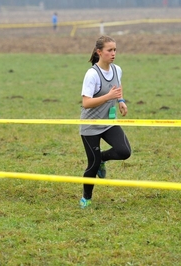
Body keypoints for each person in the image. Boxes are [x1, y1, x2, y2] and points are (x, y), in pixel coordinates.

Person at [79, 35, 132, 208]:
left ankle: (102, 158)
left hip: (109, 122)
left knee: (124, 151)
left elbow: (117, 86)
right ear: (99, 52)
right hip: (91, 126)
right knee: (92, 165)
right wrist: (108, 97)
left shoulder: (117, 69)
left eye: (115, 50)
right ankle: (86, 197)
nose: (113, 53)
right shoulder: (92, 74)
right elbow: (86, 103)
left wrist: (121, 101)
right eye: (109, 50)